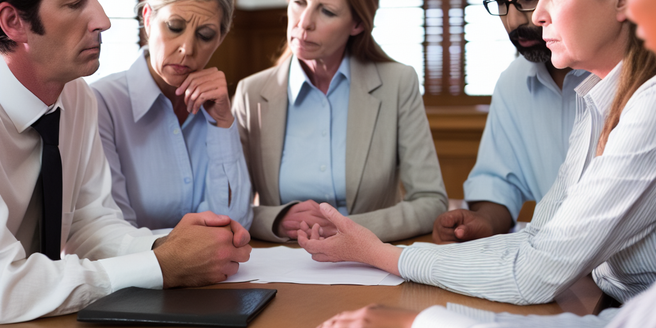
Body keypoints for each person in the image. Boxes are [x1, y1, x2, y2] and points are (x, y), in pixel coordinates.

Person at [299, 0, 656, 309]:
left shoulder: (647, 106)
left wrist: (380, 255)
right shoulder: (597, 98)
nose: (536, 16)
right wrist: (385, 253)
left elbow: (534, 274)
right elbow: (539, 239)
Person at [0, 0, 251, 323]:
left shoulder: (77, 97)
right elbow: (5, 287)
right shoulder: (101, 98)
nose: (103, 21)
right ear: (12, 21)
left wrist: (167, 246)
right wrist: (161, 266)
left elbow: (91, 226)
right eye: (75, 4)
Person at [232, 0, 447, 242]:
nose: (304, 22)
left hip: (370, 262)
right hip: (283, 261)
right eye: (299, 2)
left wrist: (348, 229)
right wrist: (276, 220)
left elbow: (431, 201)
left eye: (327, 11)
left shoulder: (398, 83)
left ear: (356, 24)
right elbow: (230, 210)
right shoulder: (250, 93)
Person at [432, 0, 590, 243]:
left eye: (526, 0)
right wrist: (484, 221)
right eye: (501, 3)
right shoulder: (513, 80)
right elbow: (498, 183)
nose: (513, 21)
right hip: (553, 264)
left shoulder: (635, 79)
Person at [91, 0, 252, 230]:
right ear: (147, 19)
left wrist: (223, 124)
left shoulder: (218, 109)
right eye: (175, 27)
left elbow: (236, 224)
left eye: (205, 35)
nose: (187, 48)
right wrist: (188, 248)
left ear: (220, 39)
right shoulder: (101, 103)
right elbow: (112, 234)